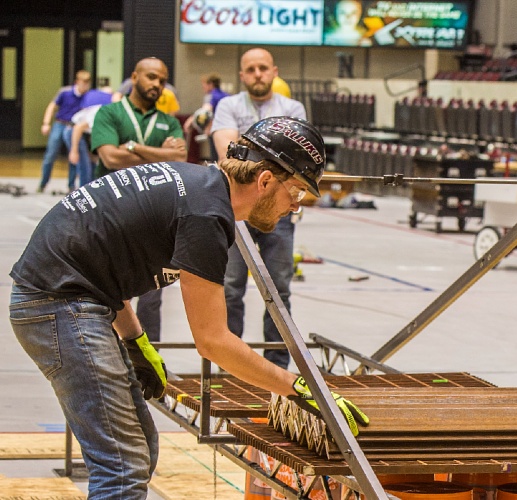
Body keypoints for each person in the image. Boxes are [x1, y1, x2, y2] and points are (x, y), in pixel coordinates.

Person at [9, 116, 368, 498]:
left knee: (140, 447)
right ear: (264, 180)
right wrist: (300, 388)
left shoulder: (200, 188)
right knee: (122, 468)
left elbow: (104, 265)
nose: (294, 207)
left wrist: (135, 340)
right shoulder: (206, 216)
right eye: (295, 192)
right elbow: (213, 342)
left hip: (69, 299)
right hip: (57, 305)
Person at [212, 48, 308, 369]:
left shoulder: (292, 108)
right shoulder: (228, 105)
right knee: (229, 288)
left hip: (278, 210)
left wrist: (248, 146)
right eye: (250, 69)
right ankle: (231, 363)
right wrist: (275, 153)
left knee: (279, 288)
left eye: (263, 68)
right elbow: (229, 153)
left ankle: (278, 367)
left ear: (274, 71)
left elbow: (298, 161)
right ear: (242, 75)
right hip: (236, 210)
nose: (257, 74)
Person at [91, 58, 188, 343]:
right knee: (111, 291)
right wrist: (160, 153)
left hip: (154, 220)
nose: (157, 84)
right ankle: (109, 353)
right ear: (134, 77)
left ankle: (150, 357)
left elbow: (179, 158)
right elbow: (109, 157)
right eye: (151, 77)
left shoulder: (169, 122)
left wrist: (132, 147)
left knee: (152, 295)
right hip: (110, 215)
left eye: (162, 80)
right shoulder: (109, 114)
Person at [38, 69, 92, 193]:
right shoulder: (65, 92)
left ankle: (71, 185)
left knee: (74, 156)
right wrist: (46, 123)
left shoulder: (87, 96)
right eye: (83, 82)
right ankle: (43, 183)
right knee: (50, 154)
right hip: (60, 124)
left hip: (74, 127)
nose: (85, 85)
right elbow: (52, 106)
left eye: (87, 83)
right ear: (77, 82)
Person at [66, 85, 117, 188]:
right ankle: (84, 192)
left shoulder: (107, 110)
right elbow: (78, 128)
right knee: (85, 166)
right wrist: (74, 150)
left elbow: (92, 135)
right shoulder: (101, 112)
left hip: (83, 133)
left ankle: (85, 188)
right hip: (73, 131)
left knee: (91, 164)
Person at [183, 73, 229, 161]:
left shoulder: (212, 96)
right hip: (229, 130)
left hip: (217, 130)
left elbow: (205, 111)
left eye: (204, 85)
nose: (203, 88)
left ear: (210, 84)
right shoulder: (227, 95)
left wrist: (191, 120)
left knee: (216, 158)